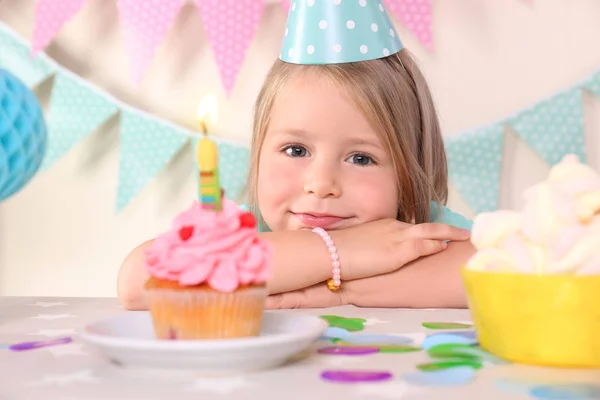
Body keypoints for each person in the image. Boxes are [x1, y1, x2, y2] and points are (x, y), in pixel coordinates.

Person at [117, 1, 476, 311]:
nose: (321, 185)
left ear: (409, 171)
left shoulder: (423, 232)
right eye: (296, 150)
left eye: (361, 158)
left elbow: (507, 273)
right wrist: (340, 252)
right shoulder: (247, 232)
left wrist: (340, 290)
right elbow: (138, 280)